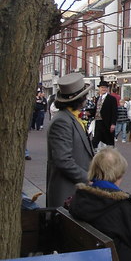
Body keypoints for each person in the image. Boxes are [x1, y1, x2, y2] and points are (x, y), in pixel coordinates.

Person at [46, 73, 94, 208]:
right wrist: (87, 179)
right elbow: (63, 160)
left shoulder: (72, 117)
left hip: (77, 191)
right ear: (81, 99)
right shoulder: (62, 121)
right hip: (67, 190)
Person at [92, 80, 117, 148]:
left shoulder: (111, 99)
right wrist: (88, 113)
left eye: (105, 87)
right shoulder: (97, 98)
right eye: (102, 87)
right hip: (98, 122)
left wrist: (113, 123)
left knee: (109, 141)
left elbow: (114, 112)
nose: (104, 89)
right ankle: (94, 154)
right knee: (95, 140)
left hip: (107, 123)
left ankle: (111, 155)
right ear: (99, 88)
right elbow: (96, 110)